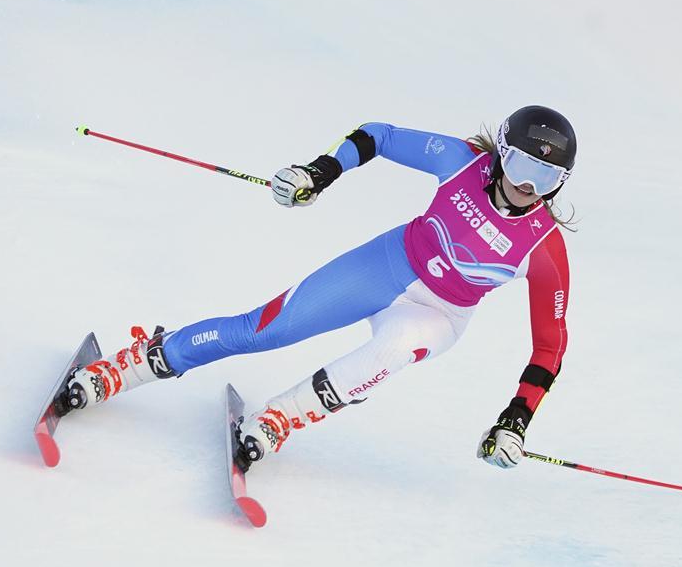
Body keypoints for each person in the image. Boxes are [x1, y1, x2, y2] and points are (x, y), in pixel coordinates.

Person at [66, 106, 576, 471]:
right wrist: (320, 172)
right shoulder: (462, 161)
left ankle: (278, 419)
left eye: (547, 176)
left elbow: (550, 346)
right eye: (523, 166)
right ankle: (130, 366)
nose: (529, 185)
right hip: (388, 263)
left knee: (392, 352)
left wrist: (516, 418)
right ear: (502, 154)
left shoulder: (545, 248)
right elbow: (378, 134)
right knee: (264, 330)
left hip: (439, 315)